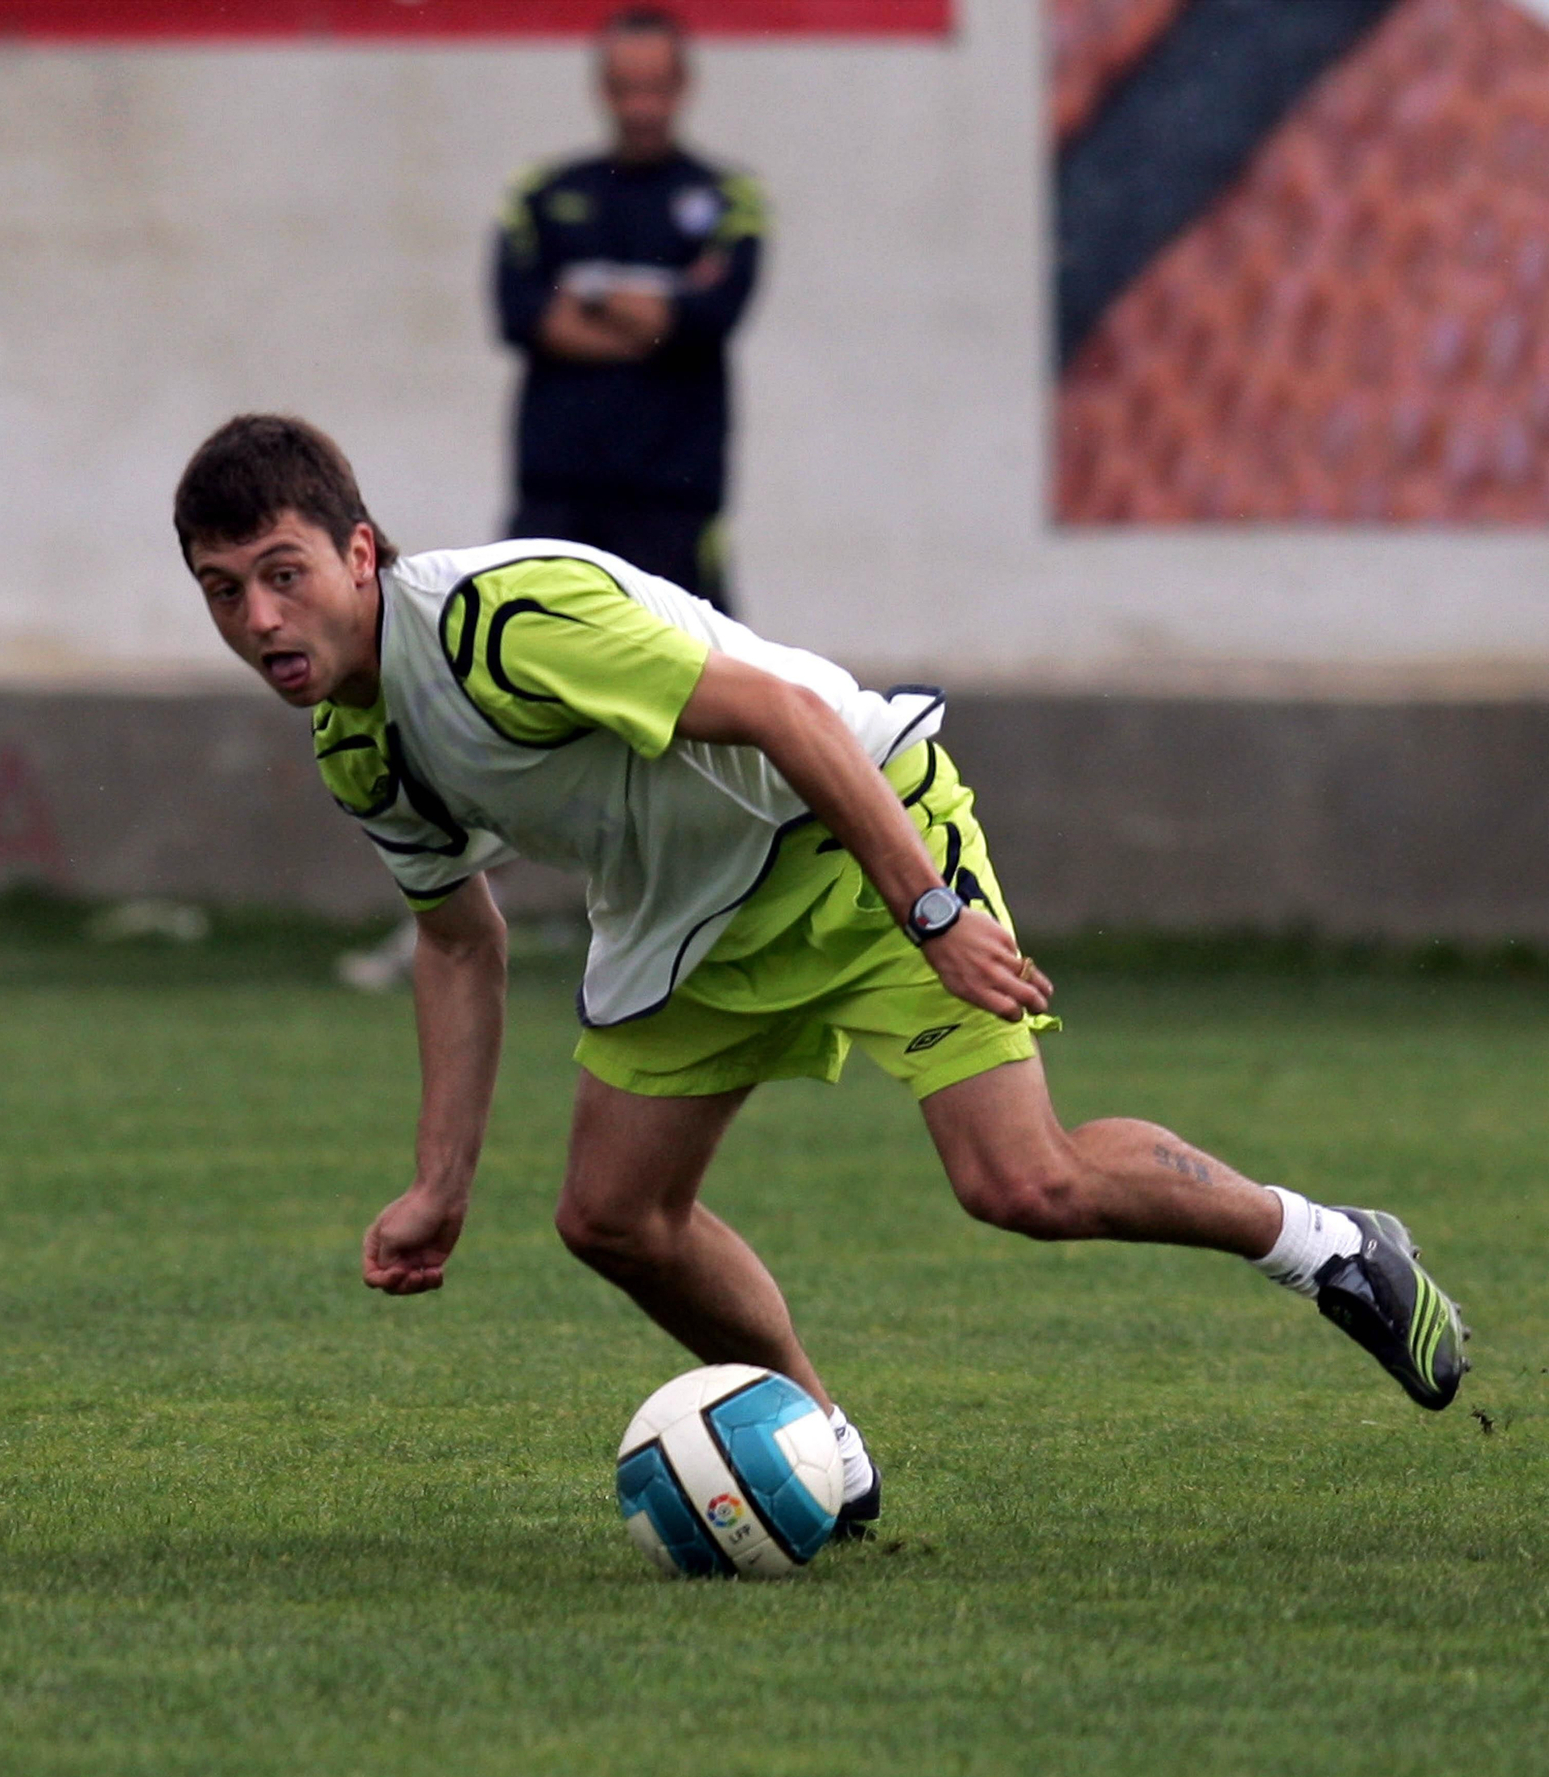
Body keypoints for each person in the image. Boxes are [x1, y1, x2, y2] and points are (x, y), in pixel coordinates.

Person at [174, 415, 1471, 1541]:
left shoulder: (499, 627)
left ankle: (1332, 1246)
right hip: (688, 915)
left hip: (850, 835)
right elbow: (461, 939)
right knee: (611, 1218)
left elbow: (789, 718)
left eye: (283, 574)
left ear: (359, 552)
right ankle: (824, 1447)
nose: (261, 620)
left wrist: (934, 908)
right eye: (224, 592)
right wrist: (437, 1185)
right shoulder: (356, 742)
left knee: (1022, 1180)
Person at [492, 5, 763, 613]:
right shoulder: (541, 194)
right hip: (555, 496)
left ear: (684, 87)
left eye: (656, 88)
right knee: (523, 690)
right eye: (626, 88)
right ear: (602, 89)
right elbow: (520, 316)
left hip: (674, 498)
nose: (641, 107)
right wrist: (659, 315)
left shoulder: (729, 198)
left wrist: (586, 294)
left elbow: (714, 315)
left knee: (703, 692)